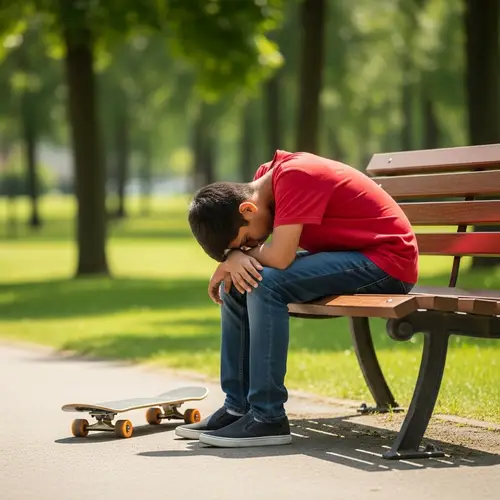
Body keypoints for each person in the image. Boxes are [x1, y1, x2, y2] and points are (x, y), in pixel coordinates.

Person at [175, 150, 418, 448]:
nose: (251, 246)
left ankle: (268, 417)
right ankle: (237, 407)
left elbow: (279, 255)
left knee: (263, 282)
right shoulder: (267, 177)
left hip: (387, 262)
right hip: (350, 258)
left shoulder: (295, 175)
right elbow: (270, 255)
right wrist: (234, 261)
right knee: (237, 284)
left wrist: (235, 259)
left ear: (248, 210)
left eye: (246, 241)